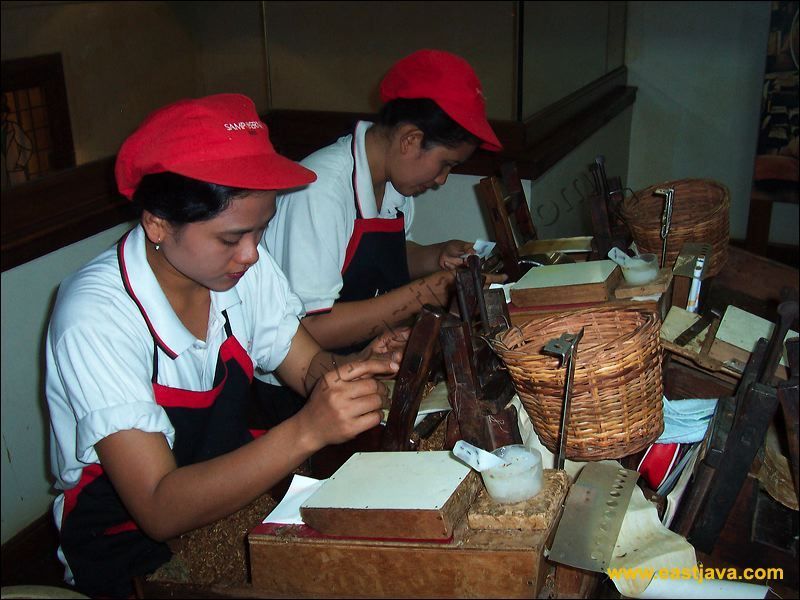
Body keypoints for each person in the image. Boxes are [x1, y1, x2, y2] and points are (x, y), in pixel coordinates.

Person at [44, 93, 407, 598]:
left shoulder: (239, 273)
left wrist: (355, 369)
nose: (252, 254)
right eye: (231, 237)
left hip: (229, 509)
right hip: (128, 554)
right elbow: (157, 507)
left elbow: (305, 366)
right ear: (157, 222)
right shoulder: (96, 317)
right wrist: (307, 430)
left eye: (261, 230)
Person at [259, 49, 505, 423]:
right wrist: (427, 292)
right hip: (295, 393)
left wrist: (435, 256)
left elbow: (381, 258)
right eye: (446, 165)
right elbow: (311, 330)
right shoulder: (320, 191)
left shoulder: (395, 186)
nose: (441, 180)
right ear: (410, 140)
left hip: (365, 361)